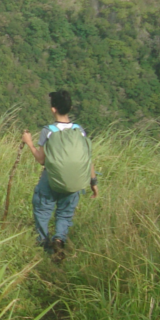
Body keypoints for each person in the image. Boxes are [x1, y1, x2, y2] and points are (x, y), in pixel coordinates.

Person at [21, 90, 98, 261]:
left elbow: (41, 160)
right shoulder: (80, 131)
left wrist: (29, 143)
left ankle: (43, 241)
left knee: (42, 207)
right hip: (76, 180)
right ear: (70, 108)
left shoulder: (49, 131)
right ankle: (59, 239)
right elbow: (88, 159)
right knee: (65, 212)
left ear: (53, 109)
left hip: (52, 179)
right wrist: (93, 182)